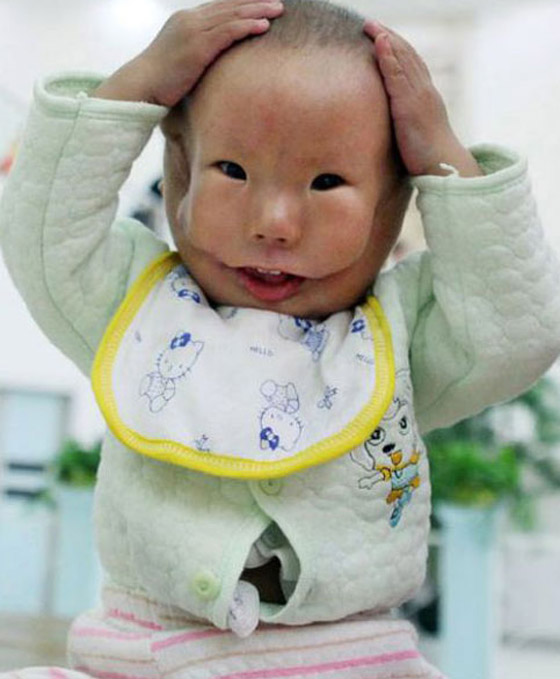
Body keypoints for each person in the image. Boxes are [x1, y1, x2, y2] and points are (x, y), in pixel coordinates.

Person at [1, 0, 560, 677]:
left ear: (395, 201)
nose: (274, 222)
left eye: (326, 182)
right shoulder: (134, 303)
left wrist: (444, 157)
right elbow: (42, 236)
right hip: (141, 658)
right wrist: (140, 83)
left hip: (346, 663)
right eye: (232, 171)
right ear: (179, 167)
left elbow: (515, 332)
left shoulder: (400, 336)